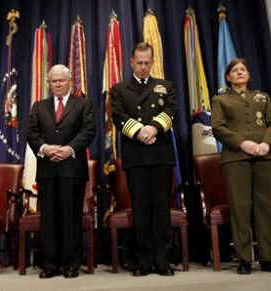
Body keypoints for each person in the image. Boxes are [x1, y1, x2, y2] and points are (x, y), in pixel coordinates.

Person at [211, 58, 271, 275]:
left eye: (243, 69)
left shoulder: (262, 97)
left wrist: (266, 143)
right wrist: (242, 143)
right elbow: (217, 127)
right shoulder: (221, 99)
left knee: (265, 206)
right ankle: (244, 258)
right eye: (234, 70)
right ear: (228, 77)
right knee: (240, 207)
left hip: (265, 155)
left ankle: (269, 258)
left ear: (249, 75)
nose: (239, 73)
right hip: (236, 158)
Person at [110, 42, 177, 276]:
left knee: (161, 209)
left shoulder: (165, 85)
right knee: (140, 209)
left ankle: (163, 260)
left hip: (160, 153)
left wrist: (154, 129)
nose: (143, 67)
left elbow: (171, 111)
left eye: (147, 63)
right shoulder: (119, 89)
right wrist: (140, 131)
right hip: (136, 155)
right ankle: (144, 261)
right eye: (139, 63)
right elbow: (117, 115)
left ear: (152, 62)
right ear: (131, 62)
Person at [27, 64, 95, 279]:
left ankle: (71, 264)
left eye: (61, 80)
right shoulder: (39, 106)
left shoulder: (83, 104)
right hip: (47, 169)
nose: (57, 84)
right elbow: (31, 133)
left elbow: (88, 130)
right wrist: (46, 149)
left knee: (70, 218)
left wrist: (68, 149)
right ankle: (50, 265)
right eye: (53, 81)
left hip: (72, 169)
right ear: (49, 83)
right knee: (49, 218)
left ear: (69, 82)